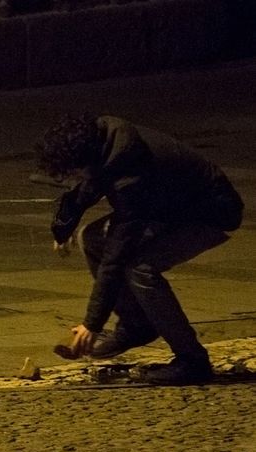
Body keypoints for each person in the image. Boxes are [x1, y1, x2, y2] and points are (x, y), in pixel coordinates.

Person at [37, 113, 244, 386]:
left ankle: (192, 360)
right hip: (167, 206)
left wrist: (92, 324)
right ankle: (136, 325)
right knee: (91, 237)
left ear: (86, 162)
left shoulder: (129, 173)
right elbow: (88, 186)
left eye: (74, 171)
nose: (73, 179)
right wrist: (63, 228)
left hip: (210, 213)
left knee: (140, 268)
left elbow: (116, 256)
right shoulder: (105, 142)